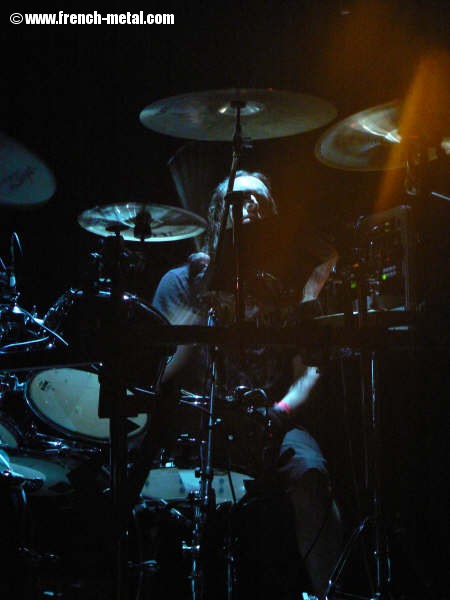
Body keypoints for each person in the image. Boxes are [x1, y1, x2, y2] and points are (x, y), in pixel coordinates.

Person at [152, 169, 342, 599]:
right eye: (237, 201)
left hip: (274, 419)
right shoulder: (181, 282)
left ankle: (327, 592)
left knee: (312, 476)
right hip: (203, 420)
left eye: (258, 200)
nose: (249, 208)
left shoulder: (288, 287)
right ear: (217, 215)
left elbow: (309, 370)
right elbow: (162, 373)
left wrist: (281, 412)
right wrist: (198, 305)